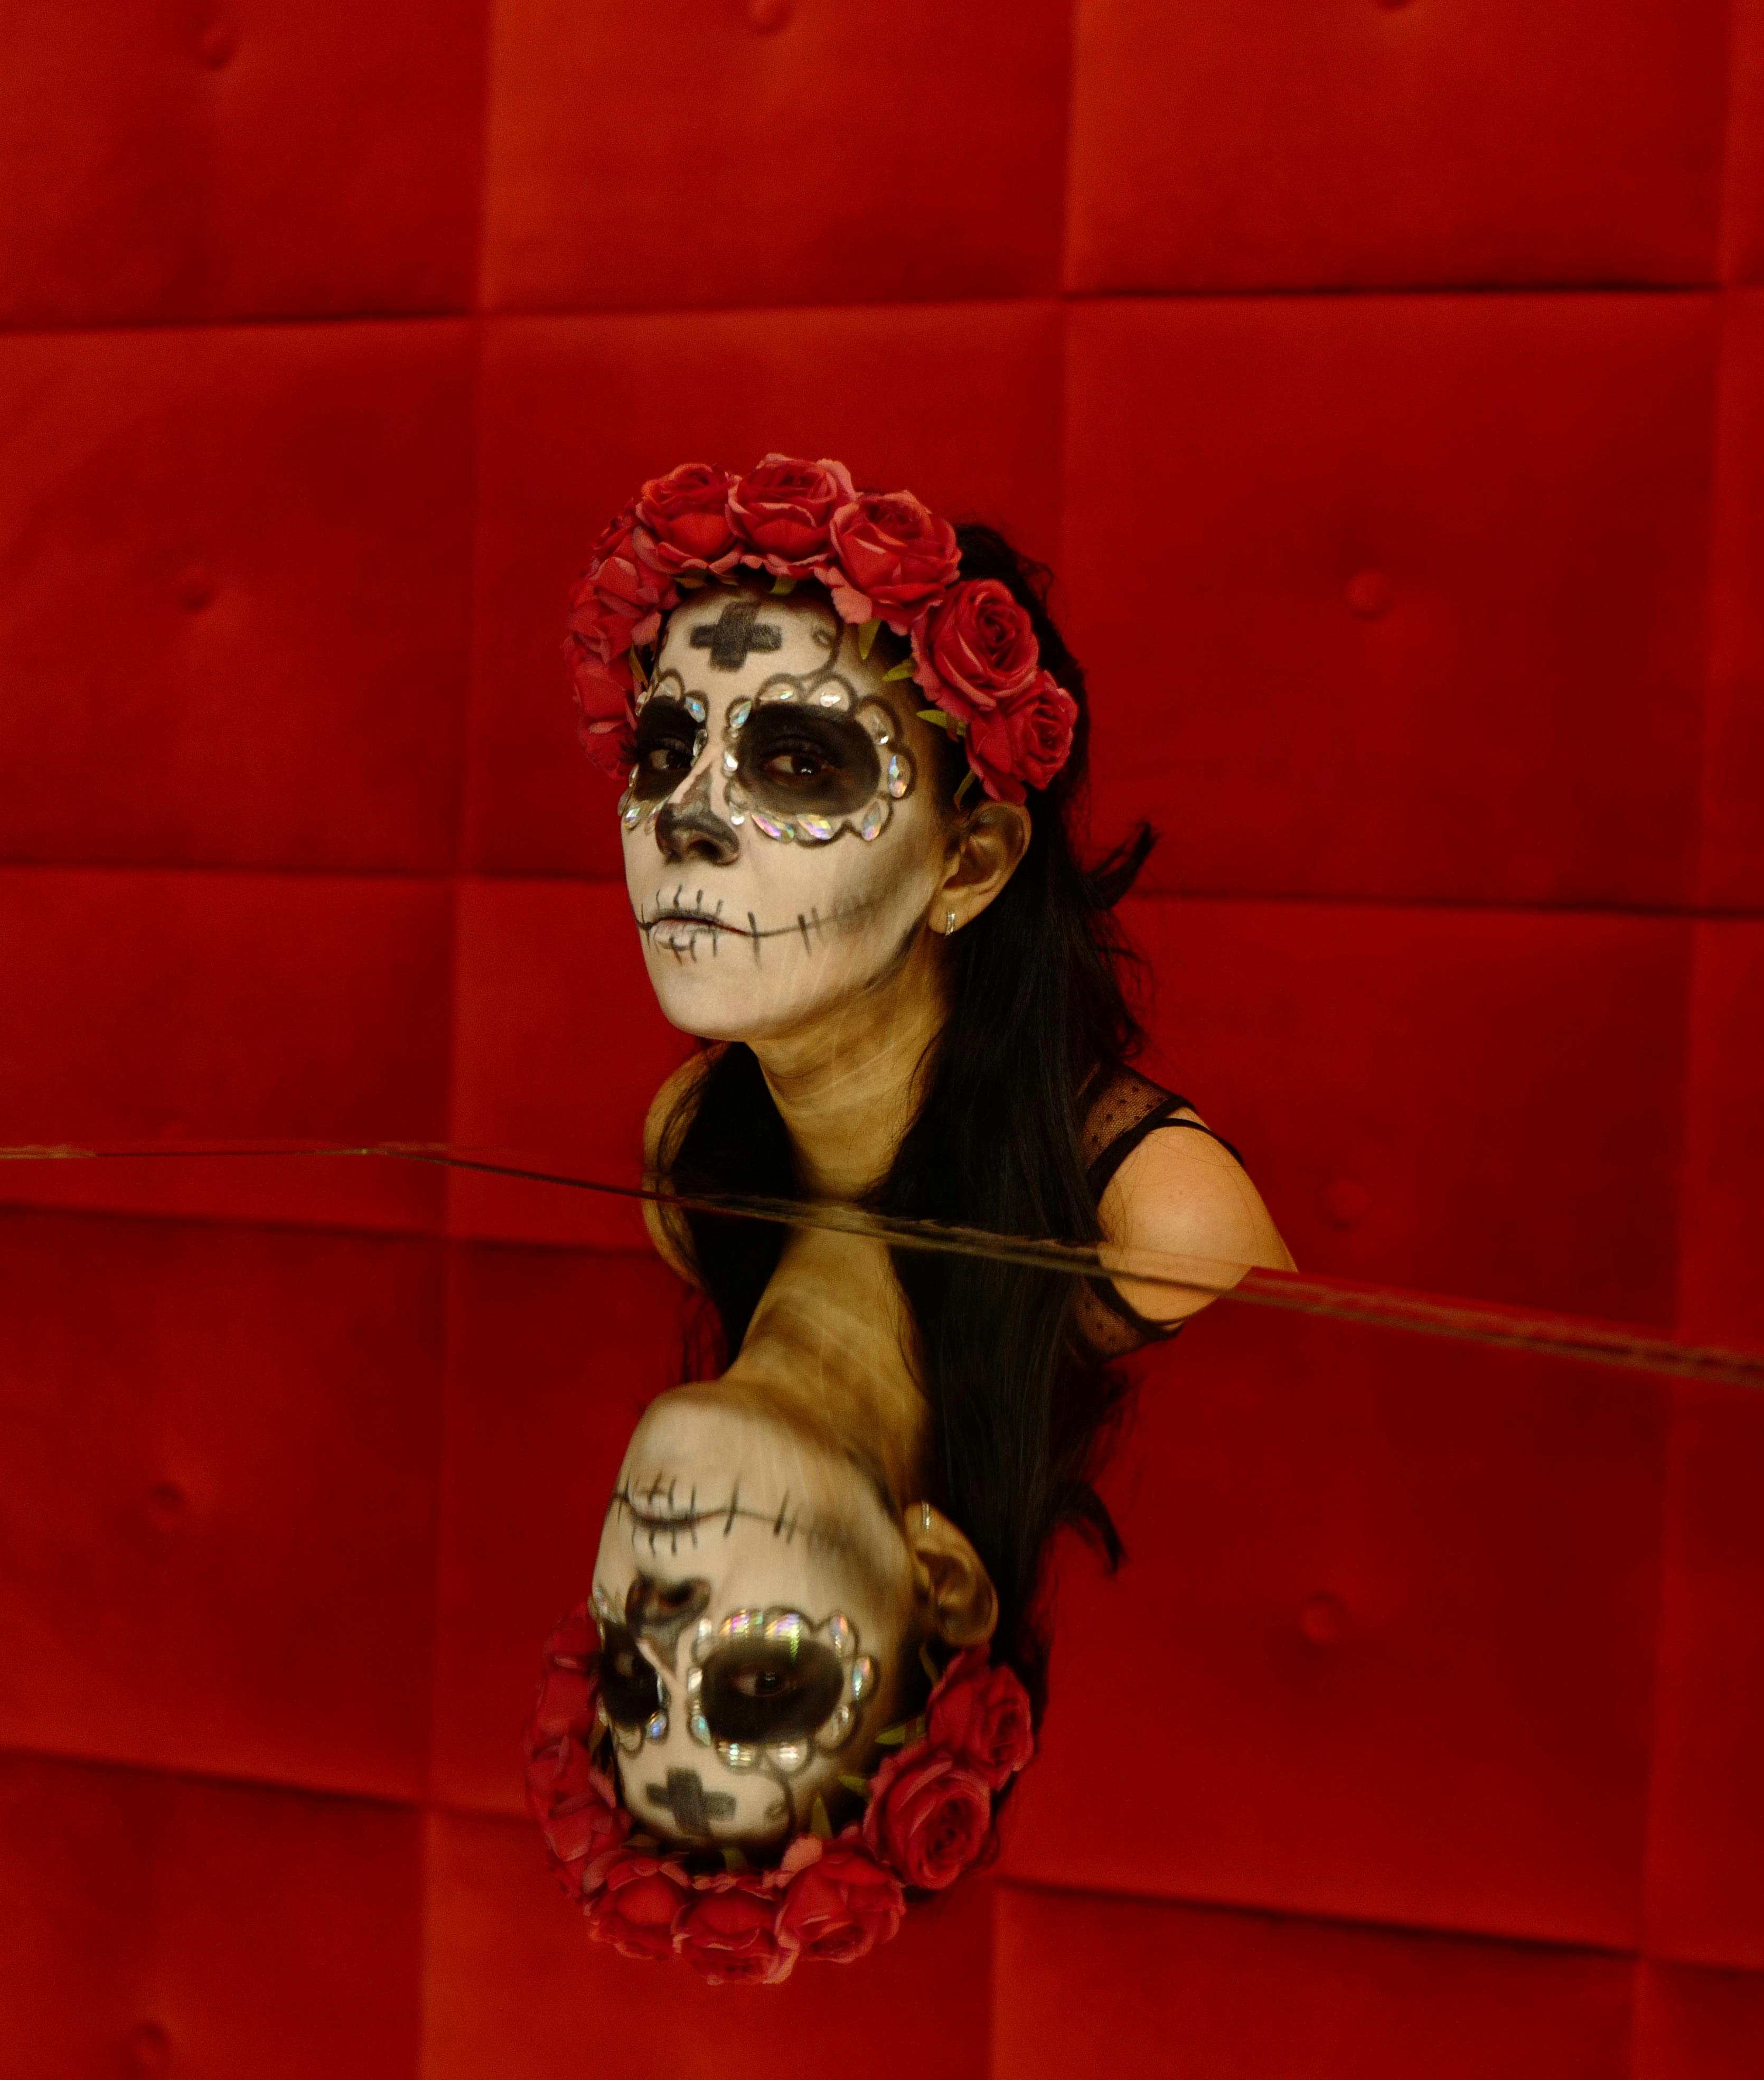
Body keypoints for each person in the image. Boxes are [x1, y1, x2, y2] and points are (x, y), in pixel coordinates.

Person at [526, 454, 1291, 1979]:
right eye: (667, 749)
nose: (685, 821)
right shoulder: (701, 1157)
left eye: (797, 765)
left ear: (975, 860)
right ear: (937, 1582)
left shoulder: (1158, 1227)